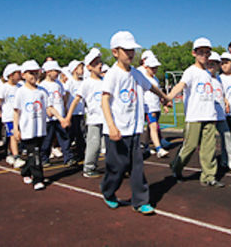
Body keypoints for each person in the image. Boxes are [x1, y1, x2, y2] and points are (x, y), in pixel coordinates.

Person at [100, 31, 169, 214]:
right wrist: (112, 126)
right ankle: (108, 191)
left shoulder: (136, 73)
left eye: (133, 50)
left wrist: (164, 97)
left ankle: (140, 201)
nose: (131, 53)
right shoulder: (112, 74)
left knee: (137, 167)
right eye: (126, 50)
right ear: (115, 52)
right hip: (116, 131)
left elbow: (150, 87)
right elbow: (104, 101)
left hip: (134, 128)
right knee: (117, 168)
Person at [167, 38, 225, 188]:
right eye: (200, 52)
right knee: (190, 146)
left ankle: (208, 176)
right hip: (194, 116)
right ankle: (176, 167)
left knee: (209, 148)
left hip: (209, 115)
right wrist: (168, 97)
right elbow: (181, 85)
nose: (204, 55)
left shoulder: (208, 74)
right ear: (194, 53)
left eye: (207, 52)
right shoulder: (190, 71)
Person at [66, 49, 105, 178]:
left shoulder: (105, 81)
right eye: (95, 63)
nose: (99, 65)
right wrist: (68, 116)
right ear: (89, 67)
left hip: (106, 119)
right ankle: (89, 167)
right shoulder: (86, 83)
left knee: (108, 146)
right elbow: (76, 100)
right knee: (94, 145)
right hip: (94, 119)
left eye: (100, 62)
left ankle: (114, 167)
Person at [13, 60, 50, 191]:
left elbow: (49, 107)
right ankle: (38, 179)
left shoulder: (42, 91)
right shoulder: (21, 92)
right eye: (30, 73)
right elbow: (16, 111)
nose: (34, 76)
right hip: (27, 128)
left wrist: (60, 117)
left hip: (40, 127)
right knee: (34, 153)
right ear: (23, 75)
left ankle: (25, 171)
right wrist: (16, 129)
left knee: (36, 153)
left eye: (36, 73)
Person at [39, 60, 75, 167]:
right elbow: (43, 101)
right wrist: (47, 110)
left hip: (60, 116)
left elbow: (63, 97)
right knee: (47, 139)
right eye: (55, 71)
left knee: (64, 137)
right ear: (48, 72)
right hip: (49, 118)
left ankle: (68, 157)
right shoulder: (43, 85)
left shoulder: (59, 84)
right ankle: (44, 158)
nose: (57, 73)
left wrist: (64, 109)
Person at [208, 51, 231, 171]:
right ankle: (179, 163)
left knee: (227, 136)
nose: (212, 66)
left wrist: (225, 101)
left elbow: (221, 93)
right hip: (208, 115)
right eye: (209, 63)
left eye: (215, 64)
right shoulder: (204, 77)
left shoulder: (219, 79)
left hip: (220, 114)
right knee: (196, 143)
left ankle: (228, 160)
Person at [140, 54, 169, 158]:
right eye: (152, 68)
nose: (155, 70)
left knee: (151, 128)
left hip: (156, 107)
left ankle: (146, 146)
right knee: (153, 127)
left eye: (156, 67)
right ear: (146, 67)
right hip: (148, 107)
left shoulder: (155, 79)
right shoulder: (143, 79)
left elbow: (158, 92)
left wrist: (164, 104)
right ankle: (159, 148)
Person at [0, 63, 24, 168]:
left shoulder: (20, 87)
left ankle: (10, 153)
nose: (20, 75)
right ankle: (16, 157)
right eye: (18, 73)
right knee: (13, 136)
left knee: (15, 137)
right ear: (11, 75)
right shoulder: (3, 87)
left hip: (20, 117)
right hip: (8, 116)